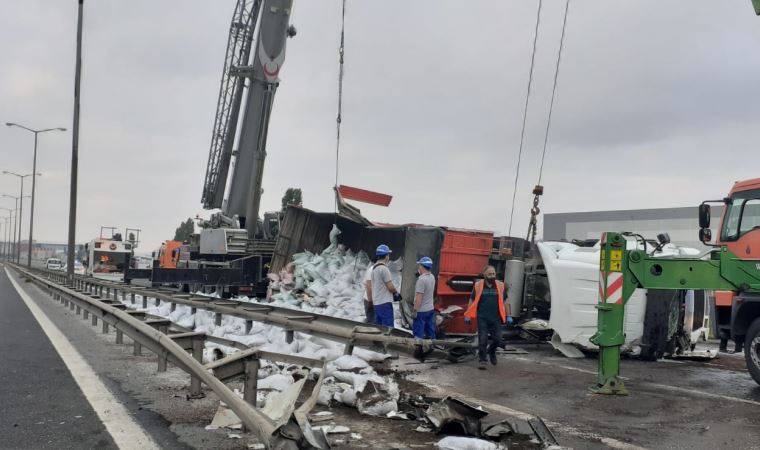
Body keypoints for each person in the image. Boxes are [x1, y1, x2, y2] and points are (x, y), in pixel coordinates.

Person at [464, 265, 511, 370]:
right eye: (489, 274)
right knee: (483, 340)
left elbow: (505, 302)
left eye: (493, 274)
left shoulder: (500, 285)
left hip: (496, 318)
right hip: (482, 318)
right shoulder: (478, 285)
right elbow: (471, 300)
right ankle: (482, 360)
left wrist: (509, 315)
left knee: (498, 340)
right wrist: (468, 314)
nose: (492, 276)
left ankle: (492, 351)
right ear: (484, 274)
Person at [371, 244, 402, 327]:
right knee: (388, 328)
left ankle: (378, 340)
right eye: (388, 254)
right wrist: (396, 293)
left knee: (379, 327)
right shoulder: (384, 269)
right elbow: (390, 286)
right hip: (384, 303)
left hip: (377, 302)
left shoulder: (374, 268)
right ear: (386, 256)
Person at [412, 256, 436, 340]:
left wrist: (415, 310)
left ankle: (418, 348)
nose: (418, 267)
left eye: (419, 265)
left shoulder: (421, 280)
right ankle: (434, 348)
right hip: (430, 309)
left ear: (422, 266)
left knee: (418, 333)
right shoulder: (432, 277)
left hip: (421, 311)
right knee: (430, 331)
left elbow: (419, 297)